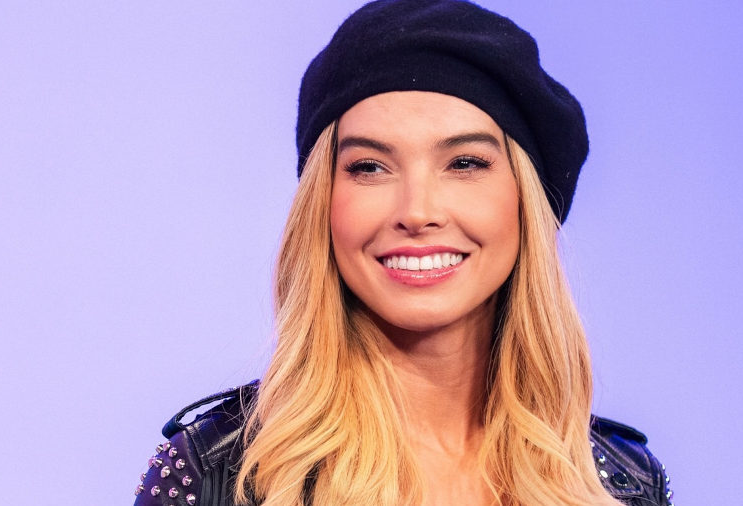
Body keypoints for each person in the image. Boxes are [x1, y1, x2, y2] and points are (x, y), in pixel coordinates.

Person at [133, 1, 672, 505]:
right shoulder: (219, 473)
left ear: (525, 203)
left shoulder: (621, 482)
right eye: (369, 167)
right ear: (323, 205)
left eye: (464, 163)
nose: (417, 212)